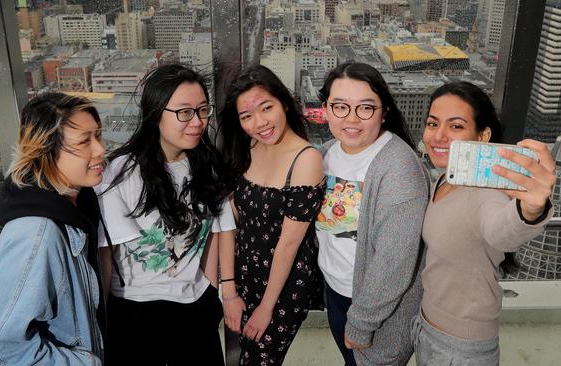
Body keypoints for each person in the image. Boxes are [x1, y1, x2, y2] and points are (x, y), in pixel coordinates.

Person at [97, 64, 234, 365]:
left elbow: (216, 230)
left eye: (202, 110)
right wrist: (102, 319)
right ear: (156, 113)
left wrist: (210, 289)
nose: (197, 122)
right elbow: (107, 254)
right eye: (184, 112)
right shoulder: (119, 173)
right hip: (135, 309)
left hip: (196, 305)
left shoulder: (206, 164)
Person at [412, 81, 555, 365]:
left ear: (482, 136)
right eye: (432, 123)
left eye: (456, 126)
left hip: (461, 348)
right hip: (426, 326)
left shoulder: (486, 193)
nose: (438, 136)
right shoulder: (444, 179)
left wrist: (530, 208)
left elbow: (501, 230)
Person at [0, 93, 106, 364]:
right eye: (84, 142)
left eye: (98, 136)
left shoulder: (76, 207)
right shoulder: (36, 236)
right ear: (47, 150)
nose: (101, 150)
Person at [316, 61, 428, 366]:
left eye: (365, 108)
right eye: (340, 106)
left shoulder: (399, 167)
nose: (351, 119)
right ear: (325, 108)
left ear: (384, 111)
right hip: (336, 291)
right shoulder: (325, 154)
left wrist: (363, 321)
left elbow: (395, 260)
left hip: (378, 309)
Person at [218, 64, 325, 365]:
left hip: (283, 286)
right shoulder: (250, 144)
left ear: (285, 104)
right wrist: (230, 290)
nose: (260, 123)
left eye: (267, 108)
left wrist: (267, 307)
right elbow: (233, 220)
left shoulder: (306, 159)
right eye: (246, 116)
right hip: (245, 273)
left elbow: (289, 244)